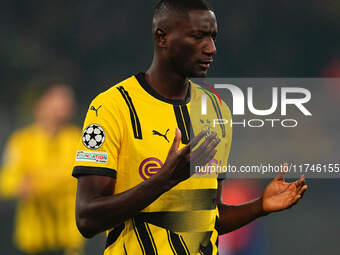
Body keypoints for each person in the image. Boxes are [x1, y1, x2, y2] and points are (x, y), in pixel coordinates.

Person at [72, 0, 308, 254]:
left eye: (213, 37)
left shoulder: (217, 110)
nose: (211, 49)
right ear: (162, 37)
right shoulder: (112, 107)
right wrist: (165, 179)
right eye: (199, 37)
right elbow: (87, 218)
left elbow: (207, 216)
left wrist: (259, 206)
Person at [0, 85, 84, 255]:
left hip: (69, 241)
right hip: (33, 242)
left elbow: (84, 180)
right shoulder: (22, 141)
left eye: (68, 100)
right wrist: (19, 185)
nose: (67, 104)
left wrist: (39, 181)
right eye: (59, 98)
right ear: (41, 103)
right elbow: (6, 180)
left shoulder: (78, 139)